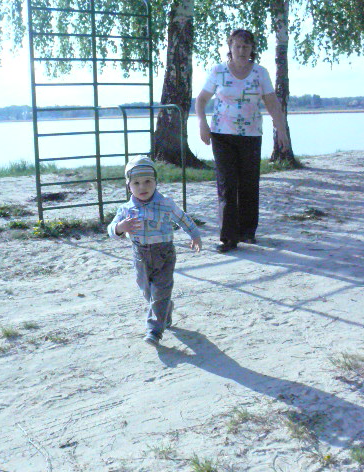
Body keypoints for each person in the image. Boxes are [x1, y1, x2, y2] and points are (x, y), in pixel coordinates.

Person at [195, 29, 291, 253]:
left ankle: (247, 231)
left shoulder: (260, 73)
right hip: (222, 135)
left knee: (248, 183)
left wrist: (281, 130)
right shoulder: (218, 71)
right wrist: (202, 123)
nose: (241, 50)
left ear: (252, 49)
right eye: (237, 46)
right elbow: (201, 100)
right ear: (230, 47)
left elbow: (272, 103)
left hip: (251, 134)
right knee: (227, 184)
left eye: (246, 46)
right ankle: (228, 238)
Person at [108, 156, 202, 346]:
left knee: (160, 291)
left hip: (164, 253)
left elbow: (182, 218)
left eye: (148, 181)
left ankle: (154, 331)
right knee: (147, 291)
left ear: (155, 182)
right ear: (129, 186)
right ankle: (165, 308)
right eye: (136, 183)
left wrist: (195, 235)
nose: (142, 187)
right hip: (140, 255)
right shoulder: (126, 209)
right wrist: (120, 227)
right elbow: (111, 230)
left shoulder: (165, 204)